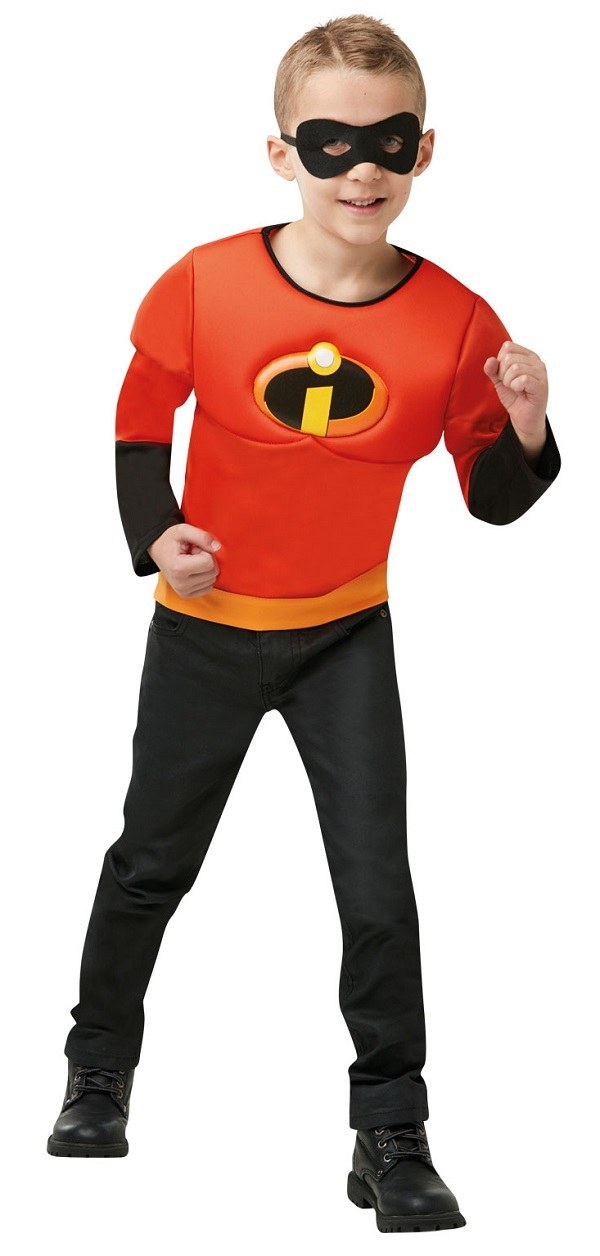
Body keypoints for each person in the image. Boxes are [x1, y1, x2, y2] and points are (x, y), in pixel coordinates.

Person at [47, 12, 560, 1234]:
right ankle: (97, 1069)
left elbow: (491, 499)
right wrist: (155, 531)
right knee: (150, 860)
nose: (360, 169)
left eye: (386, 142)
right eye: (331, 143)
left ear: (424, 150)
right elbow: (140, 417)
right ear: (282, 153)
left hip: (346, 634)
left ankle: (392, 1129)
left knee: (377, 885)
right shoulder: (206, 281)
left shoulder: (460, 322)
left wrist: (530, 424)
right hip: (206, 627)